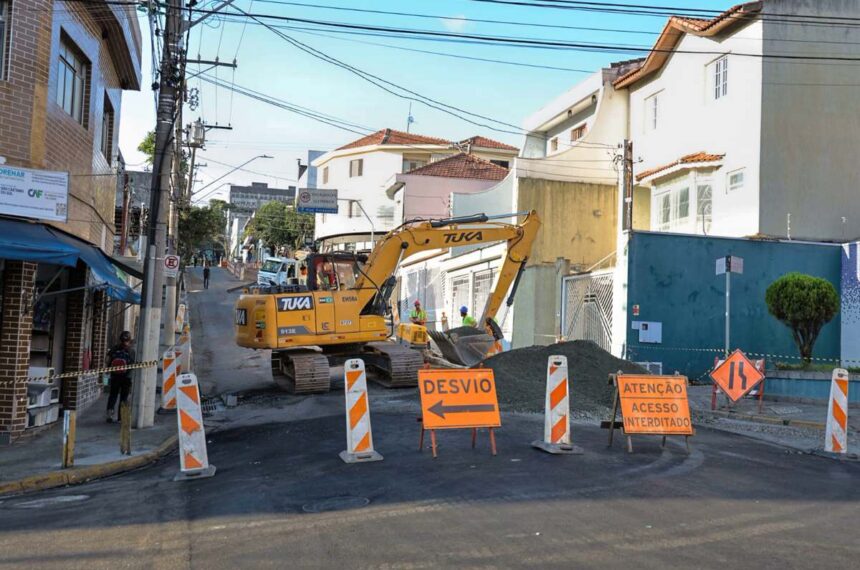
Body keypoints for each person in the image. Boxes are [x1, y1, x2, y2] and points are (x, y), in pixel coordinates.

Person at [106, 331, 135, 423]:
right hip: (126, 377)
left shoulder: (114, 349)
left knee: (113, 395)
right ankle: (121, 418)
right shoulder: (131, 351)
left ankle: (109, 415)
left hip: (115, 376)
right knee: (124, 397)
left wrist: (110, 369)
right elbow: (133, 364)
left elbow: (107, 360)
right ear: (129, 340)